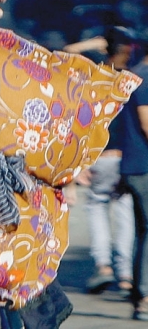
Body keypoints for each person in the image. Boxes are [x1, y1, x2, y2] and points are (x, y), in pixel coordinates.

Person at [71, 27, 136, 293]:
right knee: (124, 211)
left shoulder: (94, 79)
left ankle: (103, 266)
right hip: (128, 159)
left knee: (97, 208)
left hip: (99, 157)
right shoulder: (134, 79)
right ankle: (126, 274)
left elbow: (65, 55)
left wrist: (92, 43)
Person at [121, 39, 148, 320]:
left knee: (143, 232)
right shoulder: (146, 79)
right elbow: (146, 122)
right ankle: (144, 297)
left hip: (133, 165)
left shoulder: (137, 75)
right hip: (143, 166)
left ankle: (139, 293)